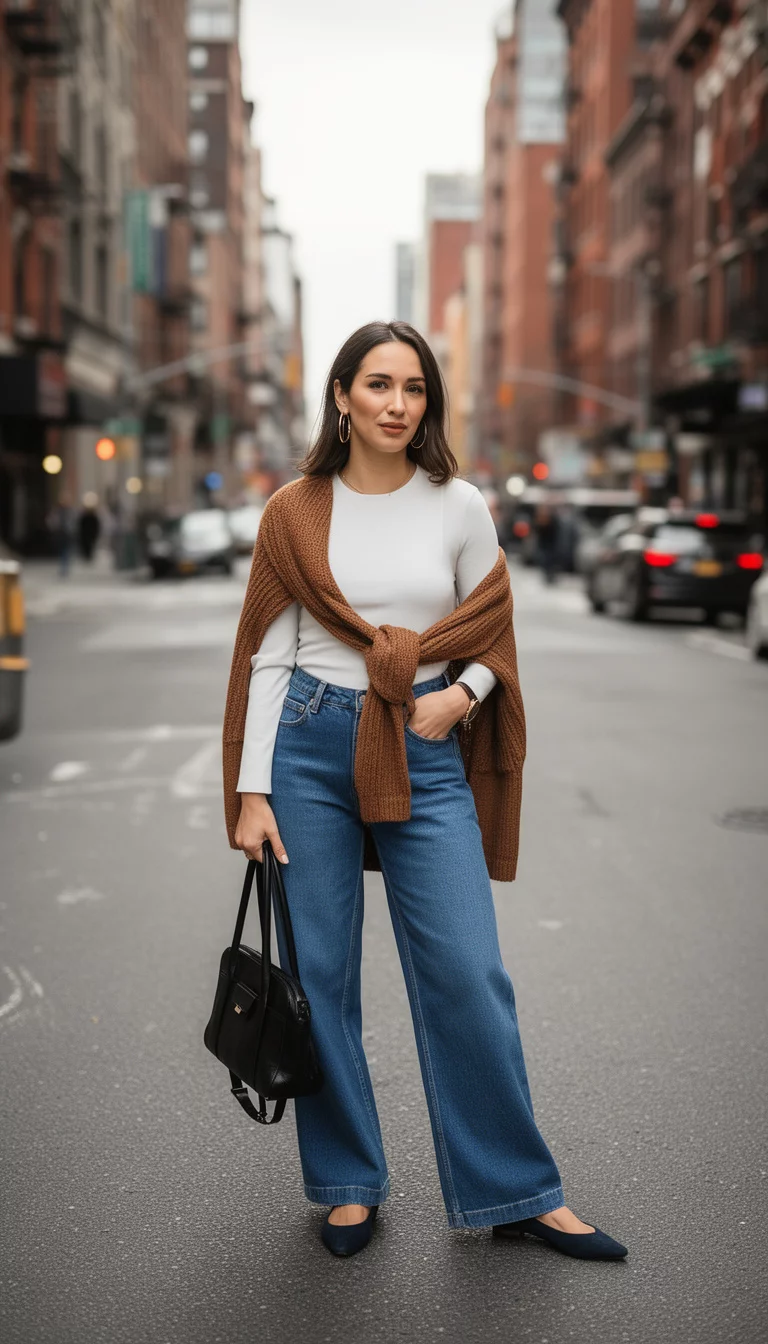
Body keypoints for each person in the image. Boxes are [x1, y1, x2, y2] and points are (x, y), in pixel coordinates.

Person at [222, 320, 627, 1262]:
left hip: (423, 739)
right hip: (310, 747)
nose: (398, 404)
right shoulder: (295, 508)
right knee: (319, 976)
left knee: (468, 973)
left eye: (414, 389)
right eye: (378, 385)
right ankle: (347, 1184)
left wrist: (463, 698)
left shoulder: (459, 505)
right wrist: (252, 790)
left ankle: (515, 1190)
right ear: (341, 397)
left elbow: (492, 631)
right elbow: (267, 653)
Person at [533, 504, 560, 585]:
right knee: (546, 561)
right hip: (545, 546)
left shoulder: (552, 521)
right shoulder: (541, 521)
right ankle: (548, 575)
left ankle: (550, 575)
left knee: (550, 562)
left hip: (550, 545)